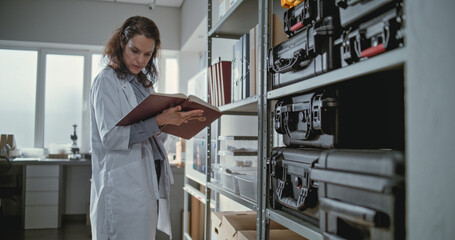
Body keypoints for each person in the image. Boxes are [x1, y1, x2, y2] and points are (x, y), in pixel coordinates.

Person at [89, 16, 203, 240]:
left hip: (144, 185)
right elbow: (111, 137)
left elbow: (153, 136)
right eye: (134, 50)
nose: (140, 60)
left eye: (147, 54)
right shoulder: (106, 81)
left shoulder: (144, 85)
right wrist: (159, 121)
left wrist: (171, 121)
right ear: (122, 43)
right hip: (119, 188)